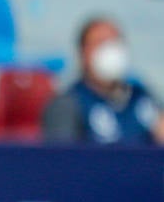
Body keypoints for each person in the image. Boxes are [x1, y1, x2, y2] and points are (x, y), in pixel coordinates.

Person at [41, 17, 164, 145]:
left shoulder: (142, 97)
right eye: (101, 43)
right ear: (83, 53)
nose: (110, 51)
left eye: (115, 42)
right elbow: (60, 159)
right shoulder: (68, 104)